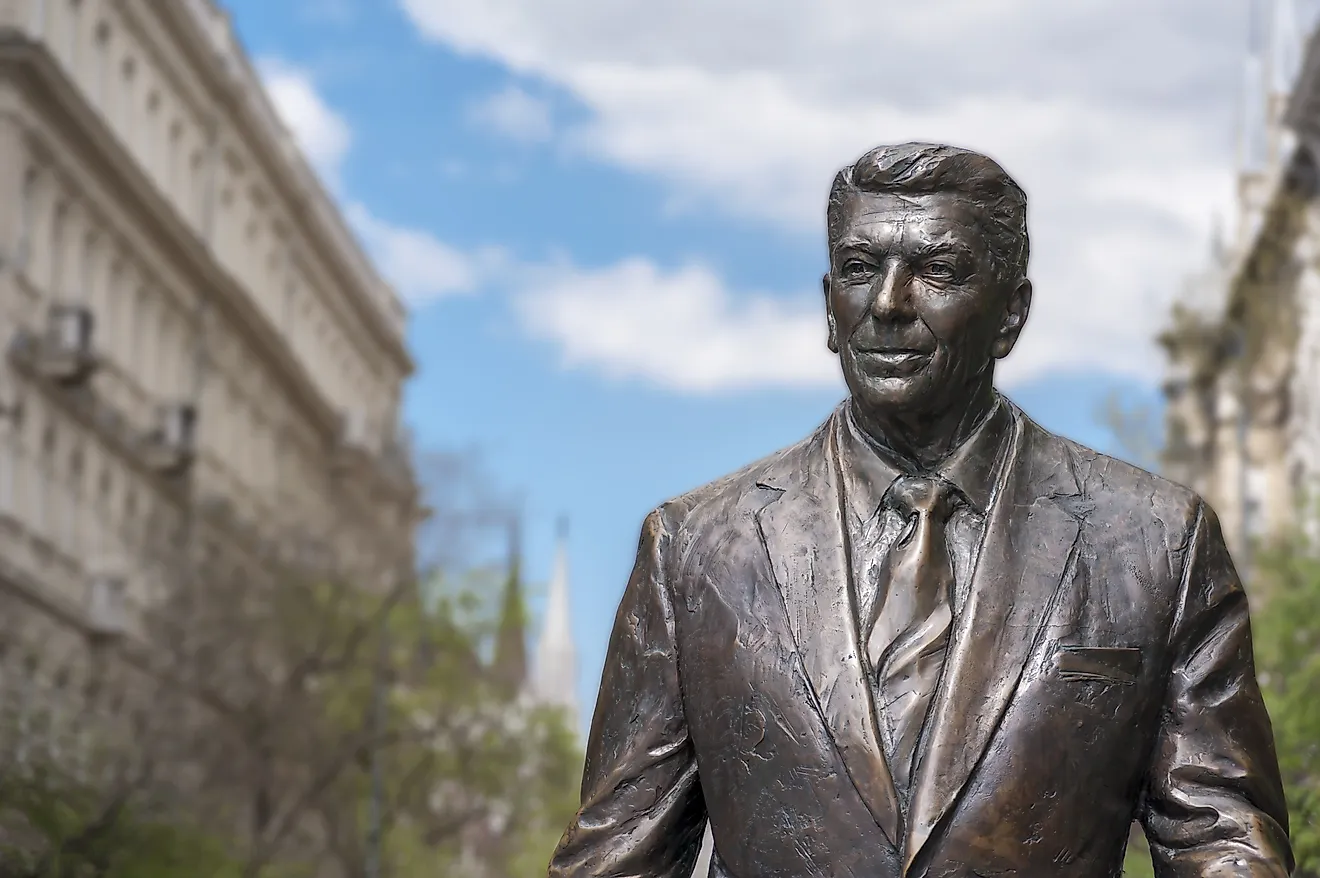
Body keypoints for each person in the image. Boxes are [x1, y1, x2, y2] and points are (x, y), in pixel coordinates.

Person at [548, 143, 1293, 878]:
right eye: (860, 269)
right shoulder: (696, 548)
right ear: (828, 306)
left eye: (938, 271)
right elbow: (618, 856)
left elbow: (1222, 840)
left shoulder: (1157, 540)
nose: (888, 304)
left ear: (1012, 314)